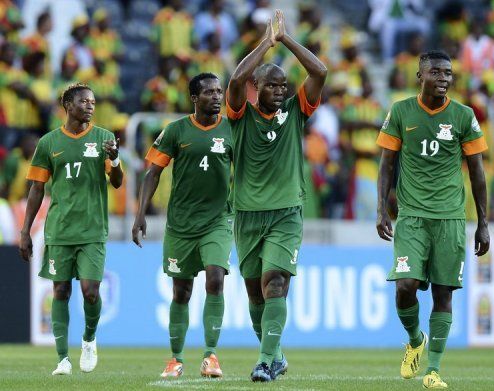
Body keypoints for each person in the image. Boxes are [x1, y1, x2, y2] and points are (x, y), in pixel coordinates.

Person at [376, 51, 490, 389]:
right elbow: (387, 164)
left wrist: (482, 222)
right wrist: (382, 209)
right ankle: (414, 339)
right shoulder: (400, 111)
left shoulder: (463, 116)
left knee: (444, 294)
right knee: (404, 287)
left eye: (448, 73)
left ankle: (434, 370)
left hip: (451, 218)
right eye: (436, 72)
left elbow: (478, 172)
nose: (443, 78)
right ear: (419, 76)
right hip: (411, 217)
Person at [226, 9, 327, 382]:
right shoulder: (239, 115)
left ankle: (265, 362)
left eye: (284, 86)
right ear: (257, 88)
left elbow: (320, 73)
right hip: (247, 214)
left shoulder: (296, 112)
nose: (281, 91)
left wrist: (286, 40)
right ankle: (276, 355)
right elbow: (236, 78)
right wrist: (265, 44)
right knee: (255, 295)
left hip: (286, 212)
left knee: (275, 283)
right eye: (273, 85)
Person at [132, 73, 232, 379]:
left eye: (219, 92)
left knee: (215, 279)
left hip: (217, 221)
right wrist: (140, 213)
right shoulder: (176, 130)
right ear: (194, 98)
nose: (217, 97)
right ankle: (175, 358)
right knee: (181, 291)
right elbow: (153, 172)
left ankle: (210, 356)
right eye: (210, 93)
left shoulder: (231, 128)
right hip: (181, 225)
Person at [19, 83, 123, 376]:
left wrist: (114, 158)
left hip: (92, 230)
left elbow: (116, 182)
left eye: (93, 101)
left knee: (90, 292)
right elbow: (36, 189)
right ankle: (62, 358)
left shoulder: (103, 137)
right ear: (68, 105)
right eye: (84, 101)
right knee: (60, 290)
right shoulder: (49, 143)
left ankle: (89, 339)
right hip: (60, 230)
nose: (91, 106)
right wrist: (26, 230)